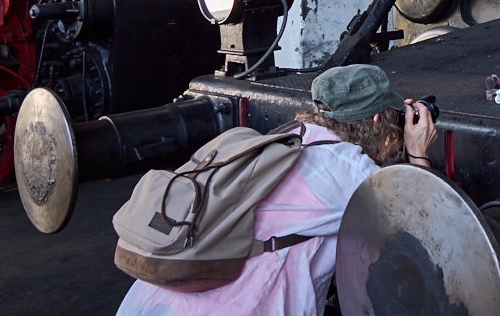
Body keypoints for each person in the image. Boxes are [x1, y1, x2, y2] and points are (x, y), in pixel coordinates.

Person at [116, 64, 437, 316]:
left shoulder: (290, 136)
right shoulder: (350, 169)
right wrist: (417, 150)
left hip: (153, 298)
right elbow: (421, 229)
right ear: (378, 120)